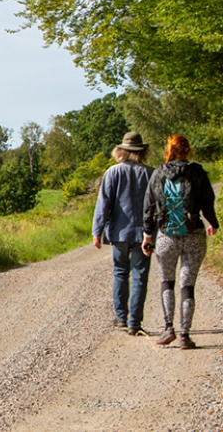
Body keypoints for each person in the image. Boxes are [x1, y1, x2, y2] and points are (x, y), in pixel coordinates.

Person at [142, 135, 219, 350]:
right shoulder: (197, 173)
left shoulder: (158, 174)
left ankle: (168, 329)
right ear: (188, 150)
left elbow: (148, 206)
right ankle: (185, 335)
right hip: (193, 234)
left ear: (168, 150)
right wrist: (212, 222)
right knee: (188, 284)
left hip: (166, 235)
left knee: (167, 281)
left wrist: (147, 235)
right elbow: (208, 201)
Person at [92, 131, 154, 336]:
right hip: (144, 234)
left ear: (121, 151)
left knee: (120, 272)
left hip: (119, 233)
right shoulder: (151, 173)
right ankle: (134, 322)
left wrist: (97, 231)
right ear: (142, 152)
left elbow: (104, 204)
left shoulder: (113, 172)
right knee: (140, 276)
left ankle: (121, 318)